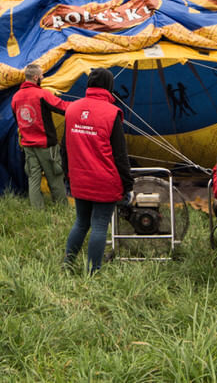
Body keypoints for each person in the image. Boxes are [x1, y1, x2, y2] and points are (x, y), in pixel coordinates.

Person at [61, 67, 133, 273]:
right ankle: (93, 271)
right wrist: (128, 183)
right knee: (100, 225)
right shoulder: (112, 113)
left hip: (79, 179)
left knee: (81, 222)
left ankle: (68, 264)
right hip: (104, 181)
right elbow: (120, 155)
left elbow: (64, 148)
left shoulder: (72, 109)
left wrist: (68, 175)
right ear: (109, 86)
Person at [11, 63, 69, 209]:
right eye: (42, 75)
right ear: (36, 77)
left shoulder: (15, 98)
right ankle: (62, 209)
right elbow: (62, 107)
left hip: (28, 146)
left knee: (33, 179)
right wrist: (81, 107)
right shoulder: (41, 94)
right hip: (46, 145)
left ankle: (38, 212)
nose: (43, 77)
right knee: (55, 178)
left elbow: (17, 120)